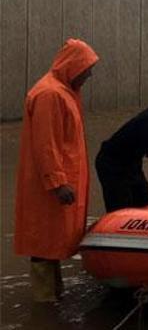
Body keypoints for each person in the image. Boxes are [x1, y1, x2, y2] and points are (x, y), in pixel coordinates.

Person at [14, 38, 99, 302]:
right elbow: (46, 144)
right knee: (42, 242)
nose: (89, 75)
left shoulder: (63, 92)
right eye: (87, 69)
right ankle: (43, 304)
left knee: (50, 242)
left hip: (56, 183)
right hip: (49, 187)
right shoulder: (50, 94)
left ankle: (53, 295)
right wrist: (58, 182)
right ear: (73, 66)